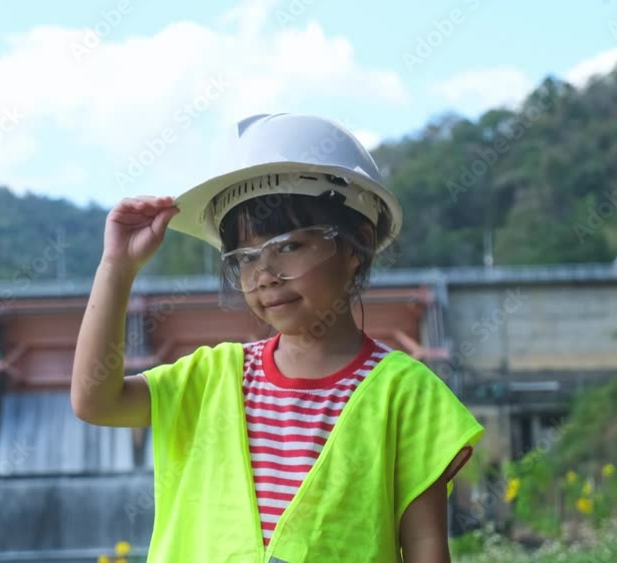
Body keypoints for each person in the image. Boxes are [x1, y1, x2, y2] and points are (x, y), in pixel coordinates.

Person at [72, 113, 484, 562]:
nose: (264, 274)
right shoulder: (212, 378)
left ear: (355, 245)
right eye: (245, 257)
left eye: (288, 245)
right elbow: (96, 400)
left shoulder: (406, 394)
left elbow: (425, 545)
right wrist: (117, 268)